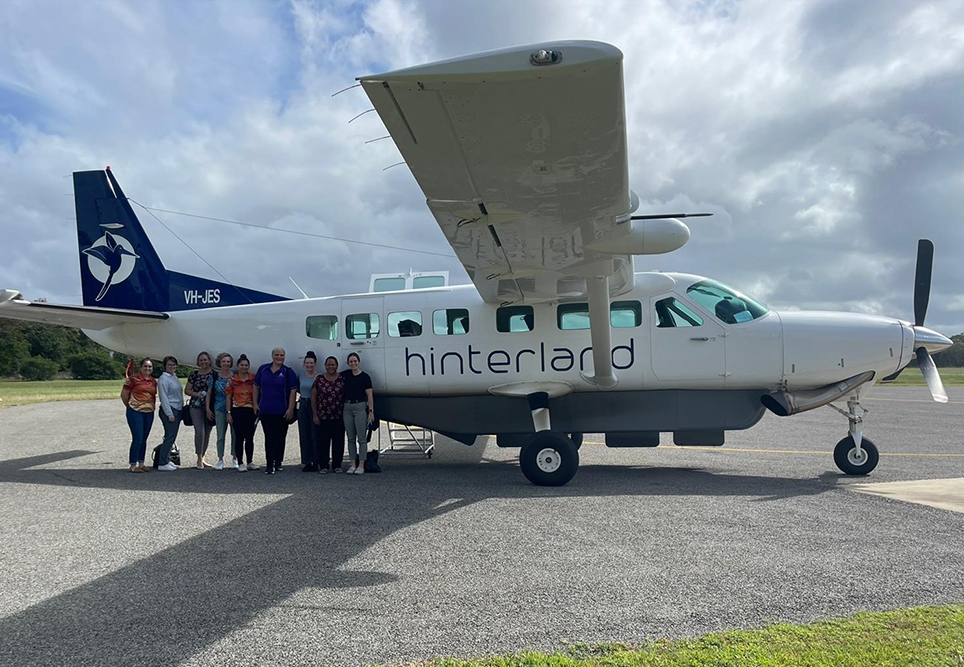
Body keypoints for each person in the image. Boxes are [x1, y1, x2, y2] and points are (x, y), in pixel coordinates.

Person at [253, 347, 298, 474]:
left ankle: (278, 462)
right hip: (265, 410)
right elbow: (256, 387)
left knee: (280, 437)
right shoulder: (263, 369)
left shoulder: (288, 372)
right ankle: (269, 464)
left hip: (282, 410)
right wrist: (255, 403)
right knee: (269, 437)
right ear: (272, 356)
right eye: (277, 355)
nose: (279, 357)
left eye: (282, 355)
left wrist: (290, 409)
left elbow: (293, 392)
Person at [120, 358, 156, 473]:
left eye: (150, 366)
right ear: (141, 367)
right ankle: (132, 464)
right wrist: (131, 406)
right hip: (135, 411)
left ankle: (141, 463)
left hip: (149, 412)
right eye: (145, 366)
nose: (147, 368)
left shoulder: (153, 381)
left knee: (144, 438)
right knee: (138, 438)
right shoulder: (133, 379)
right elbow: (124, 395)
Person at [311, 355, 346, 473]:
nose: (331, 366)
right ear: (325, 366)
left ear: (337, 366)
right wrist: (315, 415)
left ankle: (337, 465)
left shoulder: (342, 379)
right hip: (323, 416)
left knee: (338, 442)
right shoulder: (319, 379)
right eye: (329, 365)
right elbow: (314, 397)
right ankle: (324, 466)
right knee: (323, 442)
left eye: (333, 364)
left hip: (338, 416)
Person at [341, 352, 374, 475]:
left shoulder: (365, 377)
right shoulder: (345, 375)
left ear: (358, 362)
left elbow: (370, 395)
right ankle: (352, 464)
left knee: (362, 438)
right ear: (348, 363)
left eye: (355, 361)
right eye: (351, 361)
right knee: (350, 438)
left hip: (360, 407)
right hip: (347, 407)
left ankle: (361, 464)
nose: (353, 363)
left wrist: (371, 411)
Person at [226, 354, 257, 472]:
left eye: (246, 365)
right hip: (237, 411)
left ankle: (250, 461)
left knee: (250, 437)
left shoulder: (253, 379)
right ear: (238, 366)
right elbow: (228, 397)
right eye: (242, 365)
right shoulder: (232, 381)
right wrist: (228, 412)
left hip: (250, 410)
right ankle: (240, 462)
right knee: (239, 437)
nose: (244, 367)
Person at [185, 351, 215, 469]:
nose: (203, 362)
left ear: (209, 361)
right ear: (198, 362)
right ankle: (198, 457)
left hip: (210, 407)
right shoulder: (194, 374)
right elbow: (187, 390)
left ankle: (203, 457)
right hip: (195, 406)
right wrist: (197, 394)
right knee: (200, 432)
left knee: (207, 433)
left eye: (205, 360)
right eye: (201, 360)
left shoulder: (213, 374)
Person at [207, 352, 236, 470]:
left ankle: (235, 458)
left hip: (234, 408)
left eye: (228, 362)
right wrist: (208, 408)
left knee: (235, 434)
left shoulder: (234, 376)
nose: (226, 364)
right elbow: (209, 393)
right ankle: (220, 459)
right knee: (220, 435)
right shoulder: (214, 376)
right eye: (224, 361)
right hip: (218, 407)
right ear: (219, 363)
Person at [156, 356, 183, 472]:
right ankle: (162, 463)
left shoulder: (174, 376)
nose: (172, 367)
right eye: (169, 365)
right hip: (170, 410)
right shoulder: (163, 379)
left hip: (177, 408)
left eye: (174, 365)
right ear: (165, 366)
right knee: (169, 437)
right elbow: (164, 398)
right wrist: (169, 413)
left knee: (172, 437)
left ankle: (166, 459)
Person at [297, 351, 321, 472]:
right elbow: (297, 389)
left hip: (315, 405)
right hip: (303, 404)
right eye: (307, 363)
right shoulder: (300, 375)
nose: (309, 365)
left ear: (315, 364)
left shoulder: (319, 376)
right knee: (304, 434)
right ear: (304, 364)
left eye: (311, 363)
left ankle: (316, 460)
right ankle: (307, 461)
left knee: (315, 434)